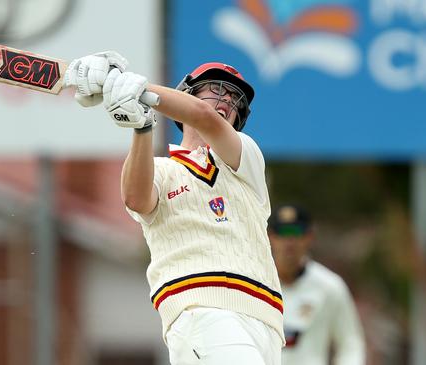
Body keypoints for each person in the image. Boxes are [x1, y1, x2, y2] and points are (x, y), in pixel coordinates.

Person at [64, 52, 285, 364]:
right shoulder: (163, 170)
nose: (226, 101)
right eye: (216, 89)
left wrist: (129, 86)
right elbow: (136, 199)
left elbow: (203, 117)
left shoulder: (245, 158)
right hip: (202, 311)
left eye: (235, 99)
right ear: (186, 95)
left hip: (267, 323)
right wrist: (141, 126)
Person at [268, 204, 365, 365]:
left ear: (309, 237)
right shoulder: (254, 284)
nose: (289, 242)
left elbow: (351, 345)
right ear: (270, 236)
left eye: (296, 233)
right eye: (282, 233)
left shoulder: (330, 287)